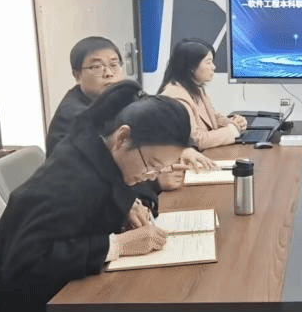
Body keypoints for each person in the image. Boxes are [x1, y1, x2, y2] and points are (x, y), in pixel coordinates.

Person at [0, 81, 208, 312]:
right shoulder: (71, 180)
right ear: (122, 137)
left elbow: (103, 195)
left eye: (161, 168)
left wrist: (126, 206)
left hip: (63, 296)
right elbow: (28, 262)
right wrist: (116, 244)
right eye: (151, 164)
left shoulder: (95, 152)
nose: (152, 174)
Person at [44, 37, 213, 211]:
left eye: (114, 64)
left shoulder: (121, 95)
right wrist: (155, 180)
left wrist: (180, 149)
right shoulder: (74, 119)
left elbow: (155, 124)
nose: (108, 73)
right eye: (96, 67)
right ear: (77, 75)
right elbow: (100, 177)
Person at [157, 39, 248, 150]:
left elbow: (213, 117)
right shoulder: (177, 98)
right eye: (208, 62)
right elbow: (196, 140)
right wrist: (232, 130)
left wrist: (234, 122)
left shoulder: (196, 89)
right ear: (191, 67)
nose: (213, 67)